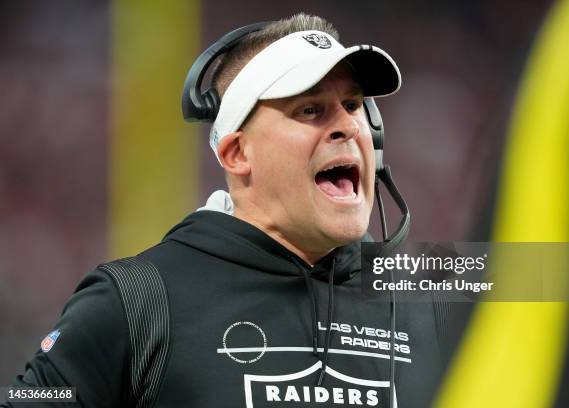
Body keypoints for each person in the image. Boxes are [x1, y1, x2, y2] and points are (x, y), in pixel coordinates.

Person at [1, 13, 444, 408]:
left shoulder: (436, 298)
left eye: (352, 106)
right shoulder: (136, 299)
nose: (348, 126)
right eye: (310, 110)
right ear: (236, 154)